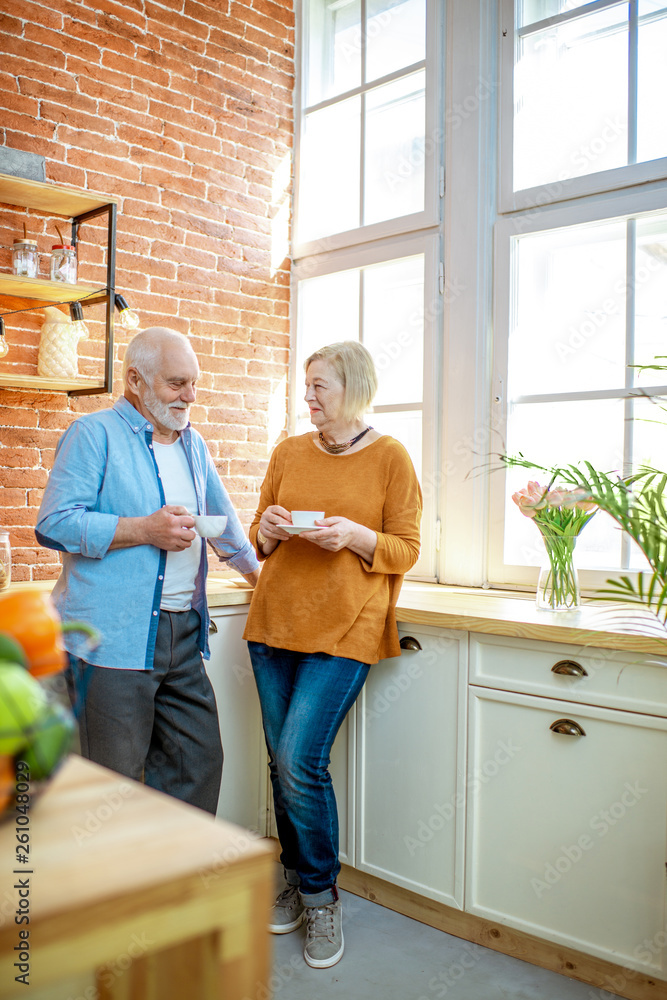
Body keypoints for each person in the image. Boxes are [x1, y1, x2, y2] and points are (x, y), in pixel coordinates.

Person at [243, 340, 422, 968]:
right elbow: (258, 533)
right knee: (279, 761)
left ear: (354, 387)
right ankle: (295, 876)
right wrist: (263, 530)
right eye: (307, 383)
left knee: (299, 759)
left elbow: (405, 548)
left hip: (346, 629)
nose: (309, 395)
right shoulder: (288, 451)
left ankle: (320, 897)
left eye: (320, 384)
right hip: (274, 624)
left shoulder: (391, 457)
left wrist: (355, 536)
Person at [36, 327, 260, 814]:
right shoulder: (92, 435)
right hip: (111, 637)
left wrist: (259, 579)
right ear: (135, 379)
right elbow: (54, 524)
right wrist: (144, 530)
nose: (190, 396)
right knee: (111, 788)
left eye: (194, 383)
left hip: (182, 634)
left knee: (196, 765)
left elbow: (224, 525)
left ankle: (172, 886)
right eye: (177, 383)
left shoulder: (192, 444)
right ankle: (114, 889)